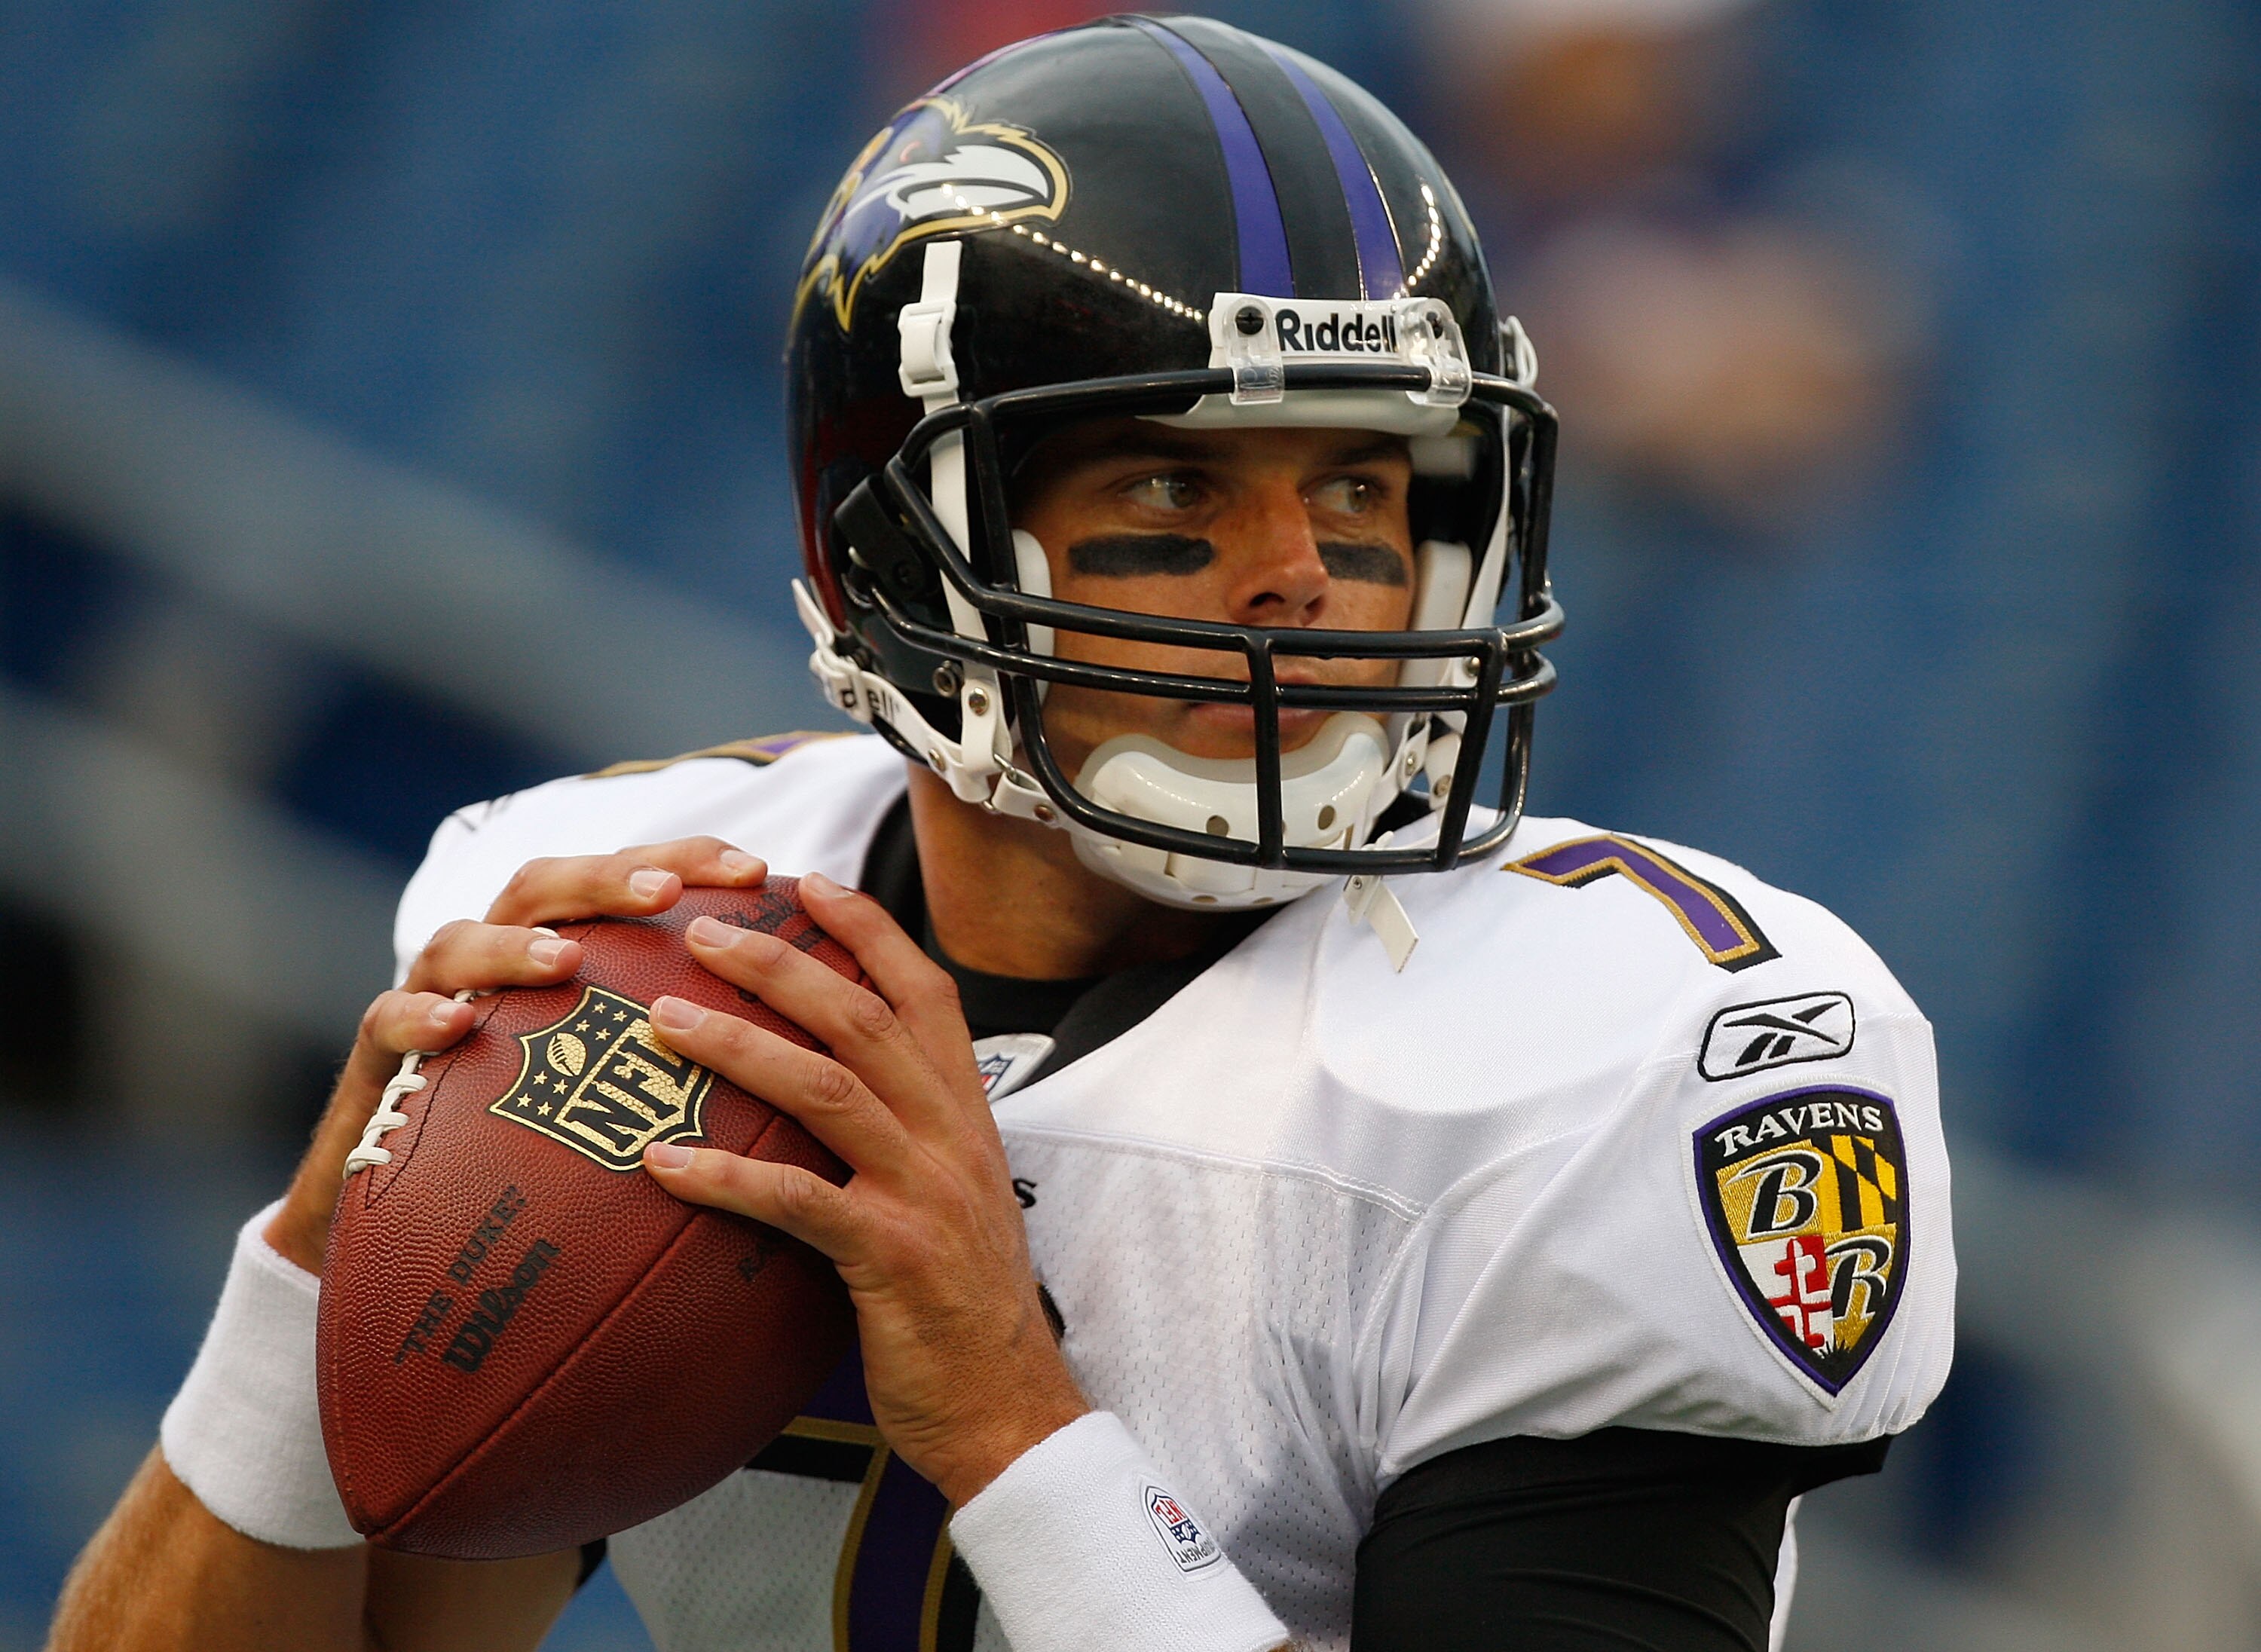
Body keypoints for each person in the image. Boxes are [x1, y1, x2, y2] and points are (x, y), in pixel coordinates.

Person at [50, 17, 1951, 1652]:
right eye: (1170, 490)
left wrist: (1021, 1430)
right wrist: (319, 1257)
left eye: (1365, 489)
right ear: (891, 556)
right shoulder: (657, 921)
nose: (1301, 578)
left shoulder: (1624, 1054)